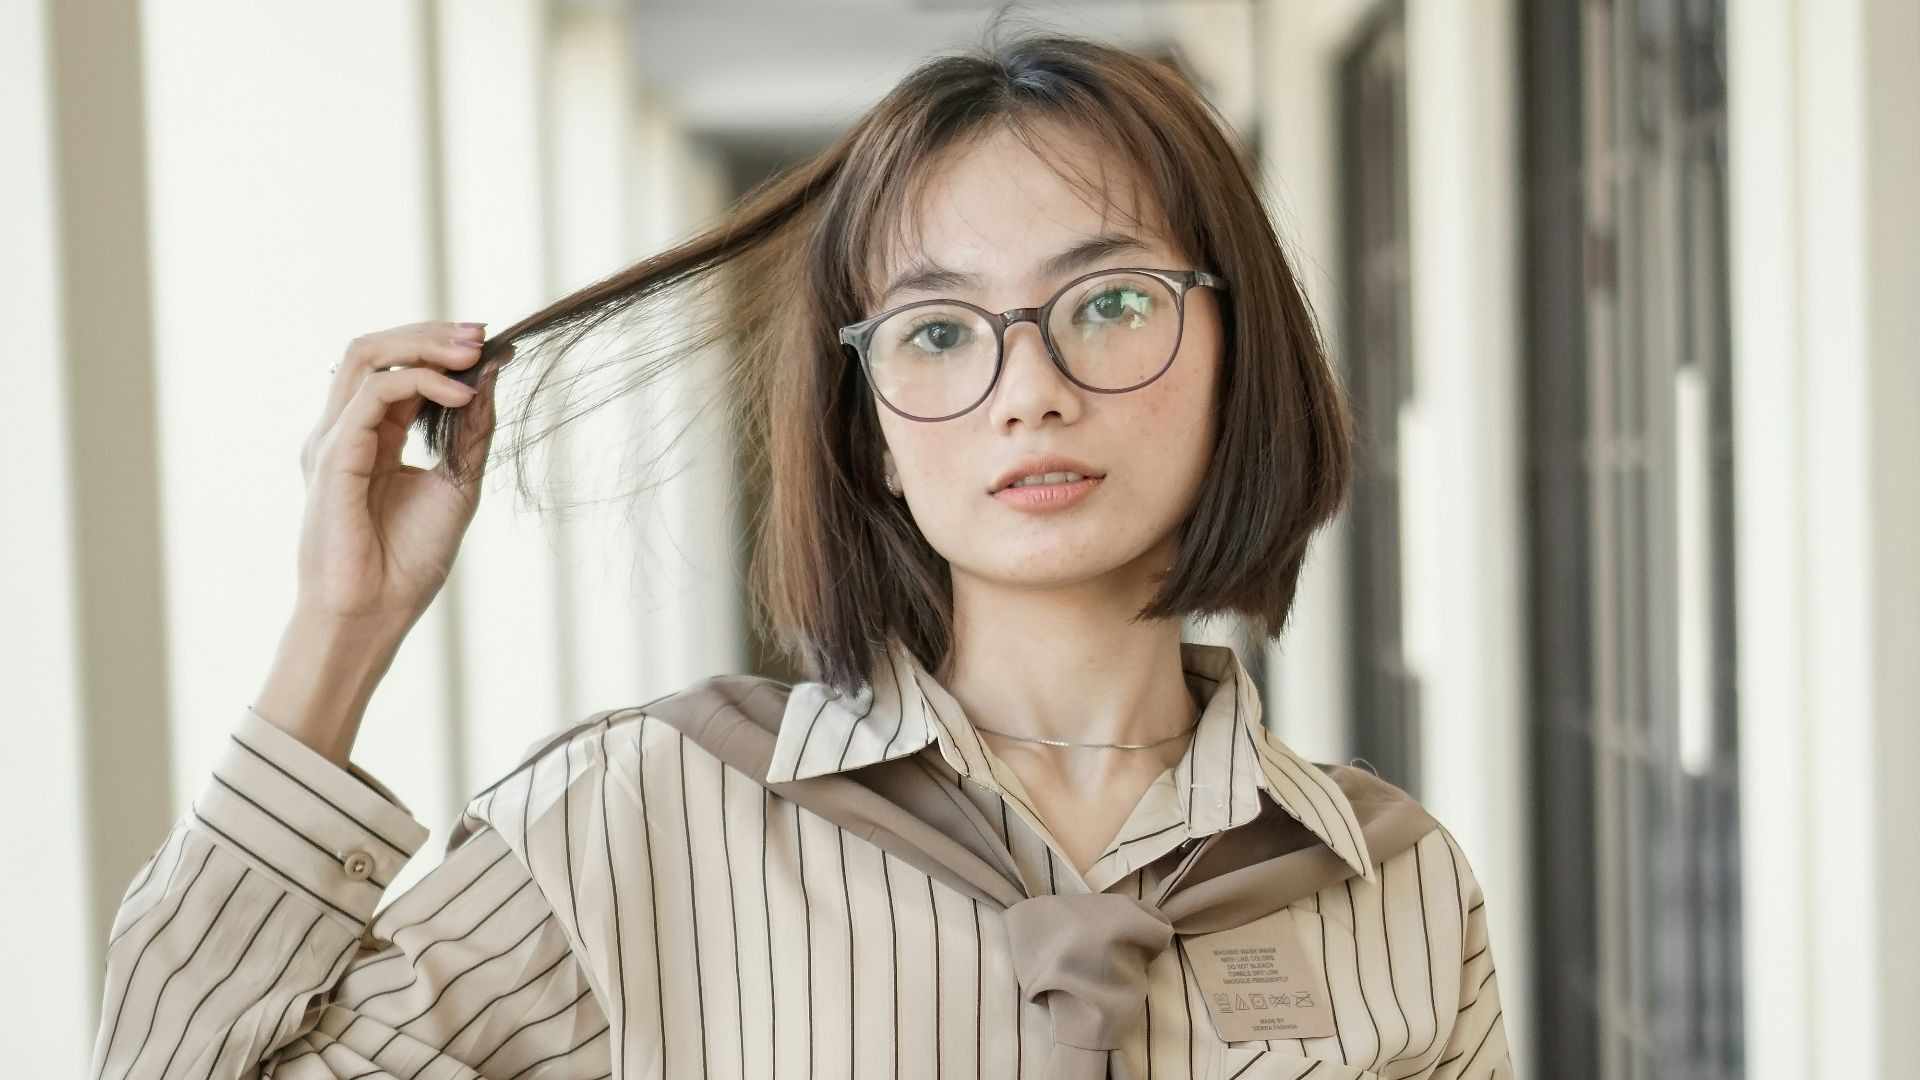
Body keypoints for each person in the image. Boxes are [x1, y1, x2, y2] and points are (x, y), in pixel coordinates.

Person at [89, 31, 1513, 1080]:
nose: (1031, 388)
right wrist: (340, 634)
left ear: (1234, 347)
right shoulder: (640, 825)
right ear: (876, 425)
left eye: (1112, 300)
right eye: (940, 331)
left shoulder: (1391, 887)